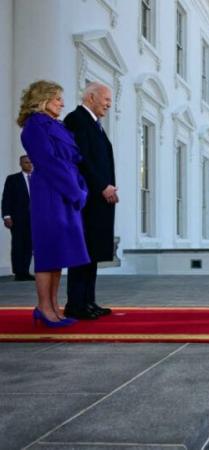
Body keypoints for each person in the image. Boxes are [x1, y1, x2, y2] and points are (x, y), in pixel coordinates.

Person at [17, 80, 91, 327]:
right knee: (48, 251)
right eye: (58, 98)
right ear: (43, 99)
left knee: (59, 251)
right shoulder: (34, 126)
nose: (62, 103)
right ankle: (44, 308)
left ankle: (54, 307)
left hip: (65, 191)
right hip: (50, 193)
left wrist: (80, 189)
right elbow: (48, 162)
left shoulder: (54, 125)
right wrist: (75, 191)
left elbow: (72, 160)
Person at [63, 82, 117, 320]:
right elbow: (81, 160)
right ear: (91, 96)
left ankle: (89, 301)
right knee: (82, 251)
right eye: (106, 99)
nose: (108, 104)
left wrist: (110, 187)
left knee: (92, 251)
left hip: (99, 198)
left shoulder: (94, 124)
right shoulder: (76, 120)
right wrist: (102, 186)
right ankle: (76, 304)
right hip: (87, 198)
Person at [2, 155, 34, 281]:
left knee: (29, 244)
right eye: (26, 162)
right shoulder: (13, 179)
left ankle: (25, 271)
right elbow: (6, 198)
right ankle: (18, 272)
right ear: (21, 164)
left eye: (31, 162)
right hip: (18, 218)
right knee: (18, 244)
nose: (29, 164)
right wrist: (6, 216)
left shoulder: (38, 179)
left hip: (34, 218)